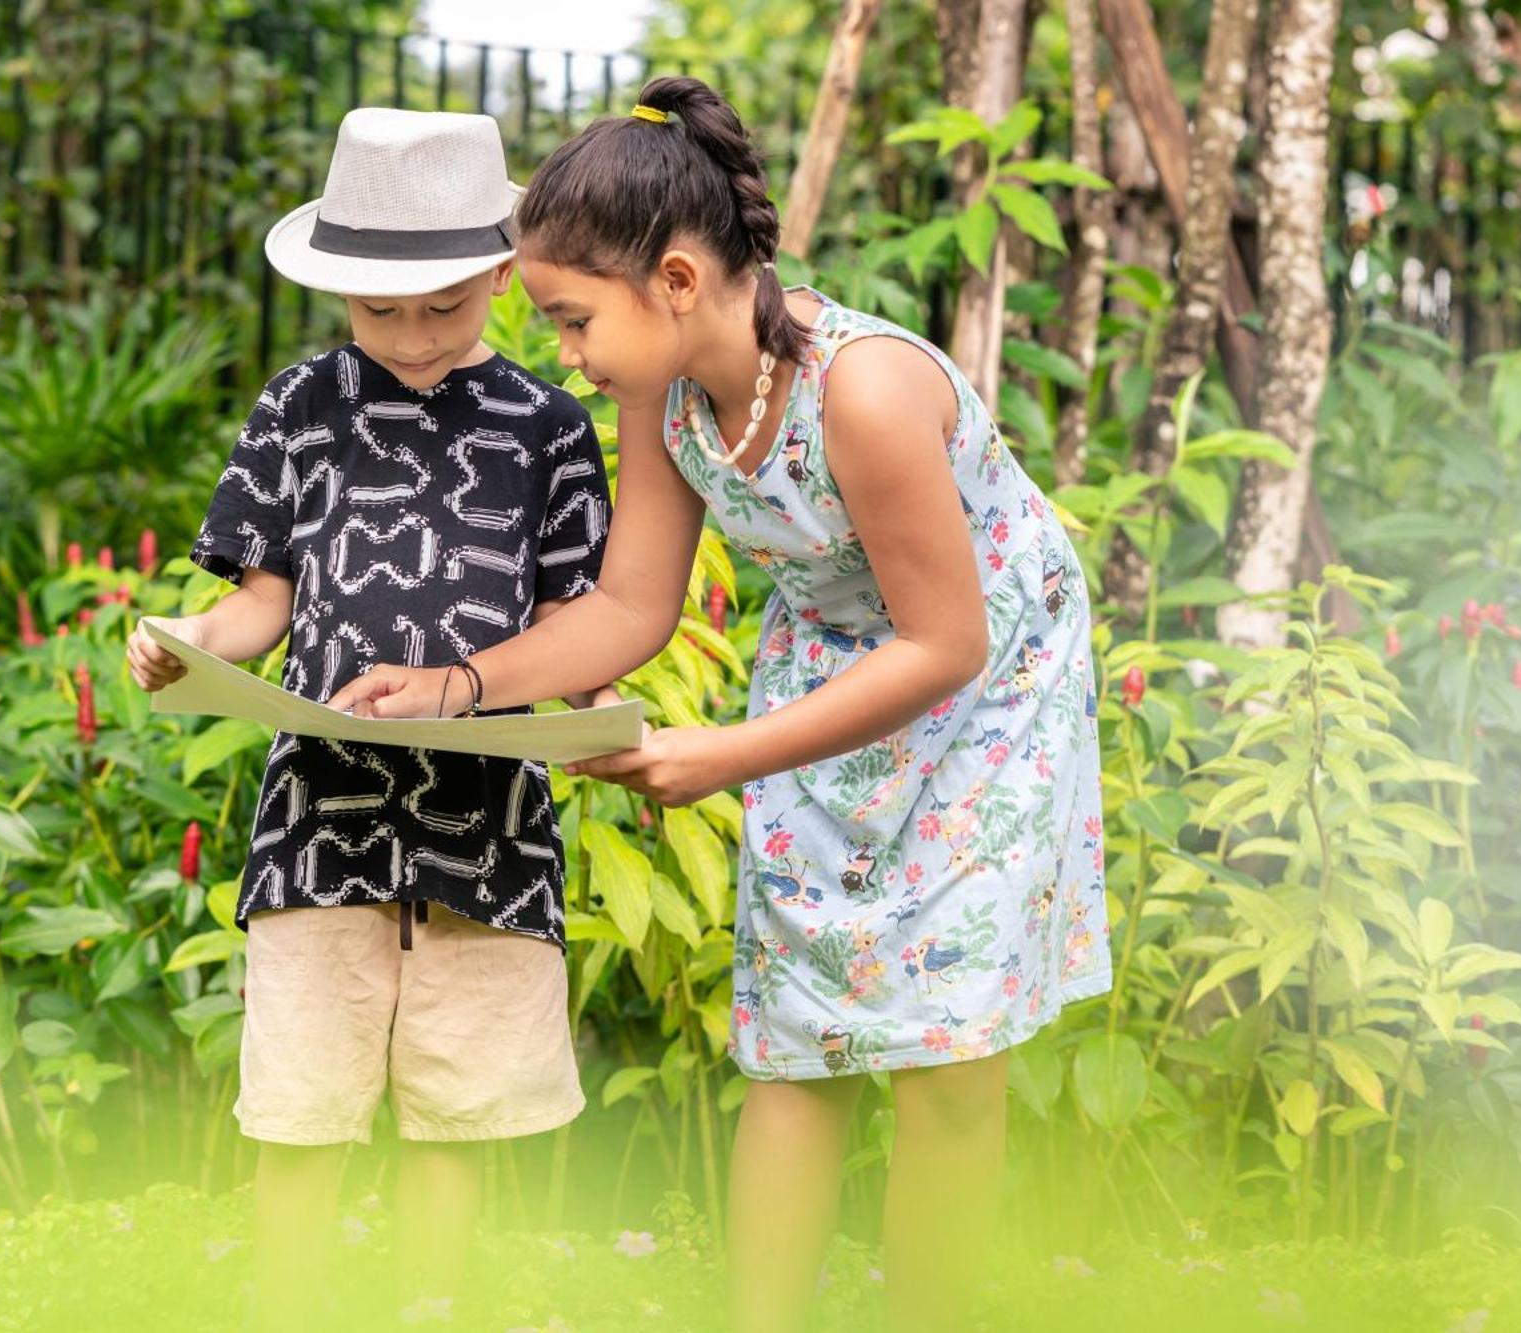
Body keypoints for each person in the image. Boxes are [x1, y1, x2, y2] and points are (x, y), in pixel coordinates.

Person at [328, 78, 1113, 1333]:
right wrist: (456, 685)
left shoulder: (863, 391)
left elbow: (946, 639)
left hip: (984, 689)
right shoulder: (670, 399)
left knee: (945, 1063)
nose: (564, 359)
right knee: (796, 1041)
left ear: (678, 283)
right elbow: (631, 607)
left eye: (573, 322)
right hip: (828, 667)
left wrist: (730, 755)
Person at [126, 107, 612, 1330]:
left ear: (503, 273)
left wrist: (606, 715)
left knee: (458, 1104)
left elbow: (579, 624)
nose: (410, 335)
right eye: (378, 310)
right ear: (335, 286)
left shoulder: (548, 429)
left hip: (485, 825)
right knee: (299, 1097)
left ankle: (428, 1307)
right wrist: (188, 644)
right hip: (321, 822)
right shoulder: (298, 407)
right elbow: (258, 606)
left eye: (443, 307)